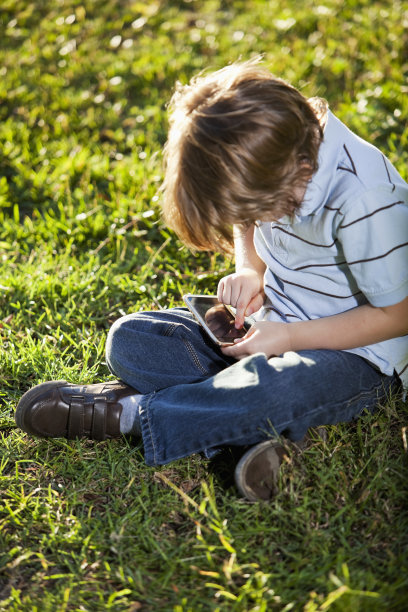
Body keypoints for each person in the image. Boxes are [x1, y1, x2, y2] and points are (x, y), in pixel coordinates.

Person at [15, 60, 408, 501]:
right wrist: (250, 271)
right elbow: (248, 223)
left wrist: (291, 338)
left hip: (354, 355)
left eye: (256, 211)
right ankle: (241, 430)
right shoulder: (272, 157)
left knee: (281, 389)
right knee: (133, 340)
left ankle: (130, 414)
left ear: (293, 171)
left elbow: (398, 314)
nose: (251, 223)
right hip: (271, 323)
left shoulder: (365, 199)